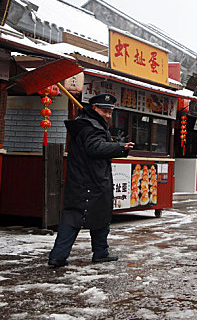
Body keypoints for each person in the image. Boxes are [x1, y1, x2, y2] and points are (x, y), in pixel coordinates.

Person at [48, 93, 135, 268]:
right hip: (92, 181)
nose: (108, 115)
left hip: (81, 180)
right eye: (105, 111)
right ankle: (96, 253)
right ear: (94, 108)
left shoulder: (87, 124)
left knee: (89, 217)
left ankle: (63, 256)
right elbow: (95, 148)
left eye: (110, 112)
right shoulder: (91, 127)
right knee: (89, 218)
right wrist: (119, 147)